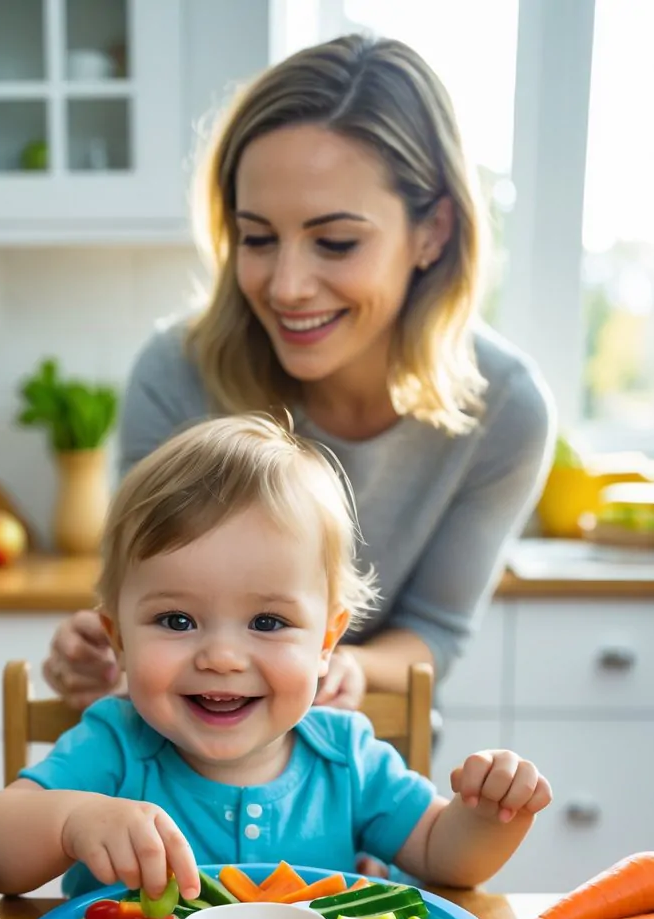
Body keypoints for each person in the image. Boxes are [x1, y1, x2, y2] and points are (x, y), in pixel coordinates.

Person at [43, 33, 555, 714]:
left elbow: (433, 634)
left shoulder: (508, 410)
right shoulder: (174, 373)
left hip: (364, 762)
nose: (286, 287)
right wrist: (111, 656)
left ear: (432, 231)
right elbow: (143, 605)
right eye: (256, 238)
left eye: (335, 242)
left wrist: (337, 667)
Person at [0, 416, 551, 902]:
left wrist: (492, 814)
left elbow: (447, 859)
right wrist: (71, 821)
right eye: (176, 621)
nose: (220, 657)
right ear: (118, 640)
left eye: (267, 622)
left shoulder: (346, 757)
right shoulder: (114, 746)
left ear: (326, 643)